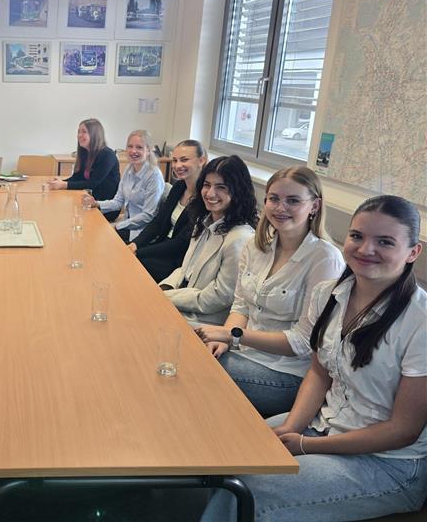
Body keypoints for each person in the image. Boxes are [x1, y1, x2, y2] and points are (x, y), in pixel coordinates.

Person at [201, 195, 427, 522]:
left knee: (249, 490)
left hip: (386, 463)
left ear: (413, 252)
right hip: (324, 425)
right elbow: (319, 374)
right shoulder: (329, 294)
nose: (366, 249)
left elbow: (402, 430)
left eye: (385, 242)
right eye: (357, 236)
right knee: (228, 454)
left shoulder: (419, 320)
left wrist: (305, 445)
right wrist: (292, 427)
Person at [196, 167, 344, 417]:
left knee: (197, 368)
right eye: (274, 199)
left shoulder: (325, 259)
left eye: (293, 201)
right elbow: (241, 306)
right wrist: (223, 339)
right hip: (244, 354)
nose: (280, 208)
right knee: (190, 349)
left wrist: (232, 335)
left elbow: (303, 342)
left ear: (315, 206)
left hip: (287, 374)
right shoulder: (255, 247)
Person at [160, 155, 257, 326]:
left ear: (238, 191)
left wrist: (166, 298)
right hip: (182, 301)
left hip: (204, 320)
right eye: (207, 185)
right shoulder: (203, 221)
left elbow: (219, 297)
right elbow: (185, 270)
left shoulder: (240, 238)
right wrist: (164, 288)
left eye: (221, 187)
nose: (210, 193)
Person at [128, 140, 207, 282]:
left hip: (178, 260)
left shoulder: (204, 198)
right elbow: (158, 222)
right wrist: (136, 244)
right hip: (162, 247)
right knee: (125, 251)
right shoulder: (178, 187)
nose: (177, 165)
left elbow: (180, 243)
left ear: (201, 161)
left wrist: (139, 252)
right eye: (175, 160)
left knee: (132, 265)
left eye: (184, 160)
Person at [82, 129, 163, 242]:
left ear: (148, 150)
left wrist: (118, 226)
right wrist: (97, 204)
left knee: (98, 237)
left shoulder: (154, 175)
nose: (133, 151)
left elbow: (148, 215)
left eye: (139, 147)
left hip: (143, 232)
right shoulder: (128, 170)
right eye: (130, 146)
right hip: (127, 225)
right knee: (89, 229)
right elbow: (118, 202)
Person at [48, 119, 120, 211]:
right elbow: (77, 177)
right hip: (87, 201)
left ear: (94, 134)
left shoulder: (107, 155)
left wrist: (64, 185)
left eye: (84, 132)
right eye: (79, 132)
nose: (79, 135)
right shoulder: (85, 152)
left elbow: (93, 183)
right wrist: (60, 182)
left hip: (103, 207)